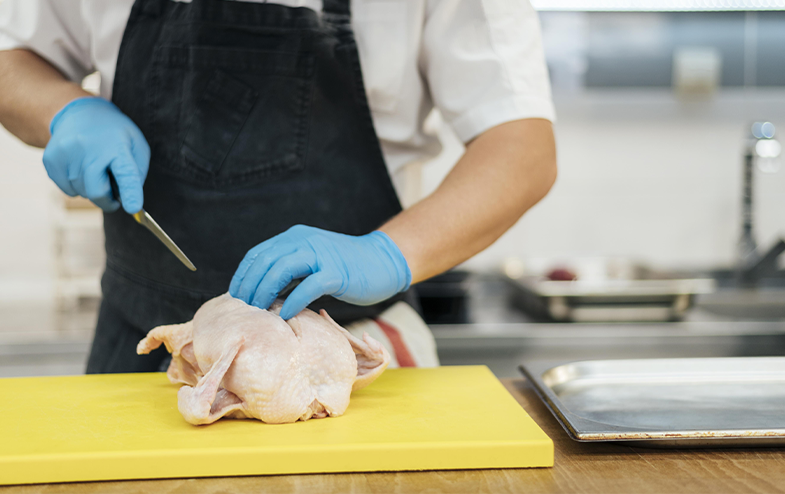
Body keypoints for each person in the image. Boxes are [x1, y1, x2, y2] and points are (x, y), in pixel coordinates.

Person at [0, 0, 557, 373]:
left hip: (355, 357)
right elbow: (12, 56)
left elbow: (522, 146)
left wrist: (386, 254)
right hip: (143, 346)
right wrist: (65, 110)